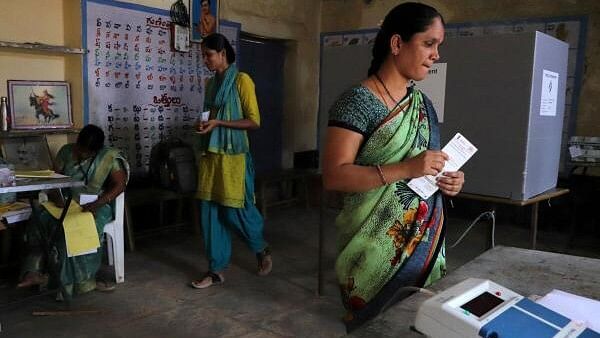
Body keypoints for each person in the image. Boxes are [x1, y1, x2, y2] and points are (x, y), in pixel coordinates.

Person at [322, 3, 465, 331]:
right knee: (377, 328)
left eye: (438, 46)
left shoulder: (422, 104)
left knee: (419, 324)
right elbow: (333, 175)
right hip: (371, 249)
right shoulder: (357, 102)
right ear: (397, 44)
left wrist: (449, 179)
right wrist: (407, 168)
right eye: (428, 44)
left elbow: (429, 164)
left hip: (424, 241)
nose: (436, 55)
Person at [191, 33, 271, 289]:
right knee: (209, 212)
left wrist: (219, 123)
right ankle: (215, 270)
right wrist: (204, 124)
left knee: (235, 209)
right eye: (203, 55)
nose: (205, 60)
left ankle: (260, 247)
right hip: (211, 155)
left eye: (208, 55)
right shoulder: (210, 84)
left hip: (234, 157)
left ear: (222, 53)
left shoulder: (241, 81)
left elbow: (254, 121)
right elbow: (210, 115)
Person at [18, 124, 129, 298]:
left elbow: (120, 185)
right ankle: (33, 270)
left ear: (96, 151)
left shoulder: (109, 157)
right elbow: (54, 177)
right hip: (66, 202)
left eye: (86, 152)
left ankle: (77, 282)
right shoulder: (66, 152)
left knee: (76, 228)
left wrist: (98, 203)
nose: (81, 154)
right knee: (40, 218)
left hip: (96, 204)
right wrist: (57, 196)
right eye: (80, 148)